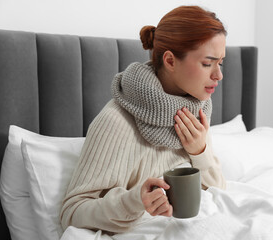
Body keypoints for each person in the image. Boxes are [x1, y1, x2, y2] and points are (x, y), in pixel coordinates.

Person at [60, 5, 227, 234]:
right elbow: (71, 213)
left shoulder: (196, 114)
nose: (219, 75)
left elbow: (219, 192)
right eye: (208, 63)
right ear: (170, 61)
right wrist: (134, 200)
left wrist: (200, 151)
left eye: (221, 63)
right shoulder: (115, 122)